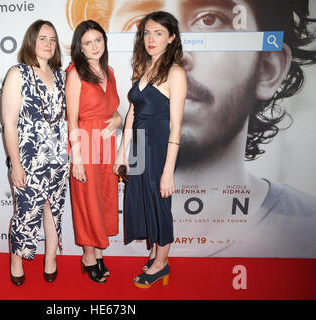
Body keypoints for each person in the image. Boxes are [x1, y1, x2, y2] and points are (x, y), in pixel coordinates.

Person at [67, 0, 316, 258]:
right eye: (140, 26)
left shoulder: (305, 229)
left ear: (267, 67)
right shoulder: (75, 217)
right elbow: (130, 112)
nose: (179, 53)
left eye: (210, 19)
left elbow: (171, 128)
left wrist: (165, 170)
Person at [114, 11, 187, 288]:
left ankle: (160, 265)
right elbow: (133, 111)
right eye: (146, 33)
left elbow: (177, 127)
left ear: (171, 38)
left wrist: (168, 172)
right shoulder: (144, 67)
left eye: (158, 33)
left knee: (160, 205)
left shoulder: (175, 73)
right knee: (144, 202)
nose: (151, 39)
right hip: (139, 150)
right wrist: (123, 151)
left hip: (158, 149)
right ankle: (156, 255)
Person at [1, 20, 69, 286]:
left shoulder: (62, 76)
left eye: (53, 39)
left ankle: (50, 258)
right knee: (26, 214)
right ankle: (16, 260)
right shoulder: (17, 73)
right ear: (32, 41)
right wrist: (16, 164)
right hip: (28, 160)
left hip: (59, 159)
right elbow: (9, 123)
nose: (49, 44)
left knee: (54, 211)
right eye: (43, 38)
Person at [66, 20, 122, 283]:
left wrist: (119, 120)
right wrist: (76, 158)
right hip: (85, 143)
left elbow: (114, 108)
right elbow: (71, 118)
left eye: (98, 40)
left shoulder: (109, 71)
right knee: (87, 202)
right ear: (80, 47)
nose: (94, 46)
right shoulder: (75, 73)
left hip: (107, 145)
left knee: (103, 199)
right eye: (87, 43)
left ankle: (98, 251)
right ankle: (89, 256)